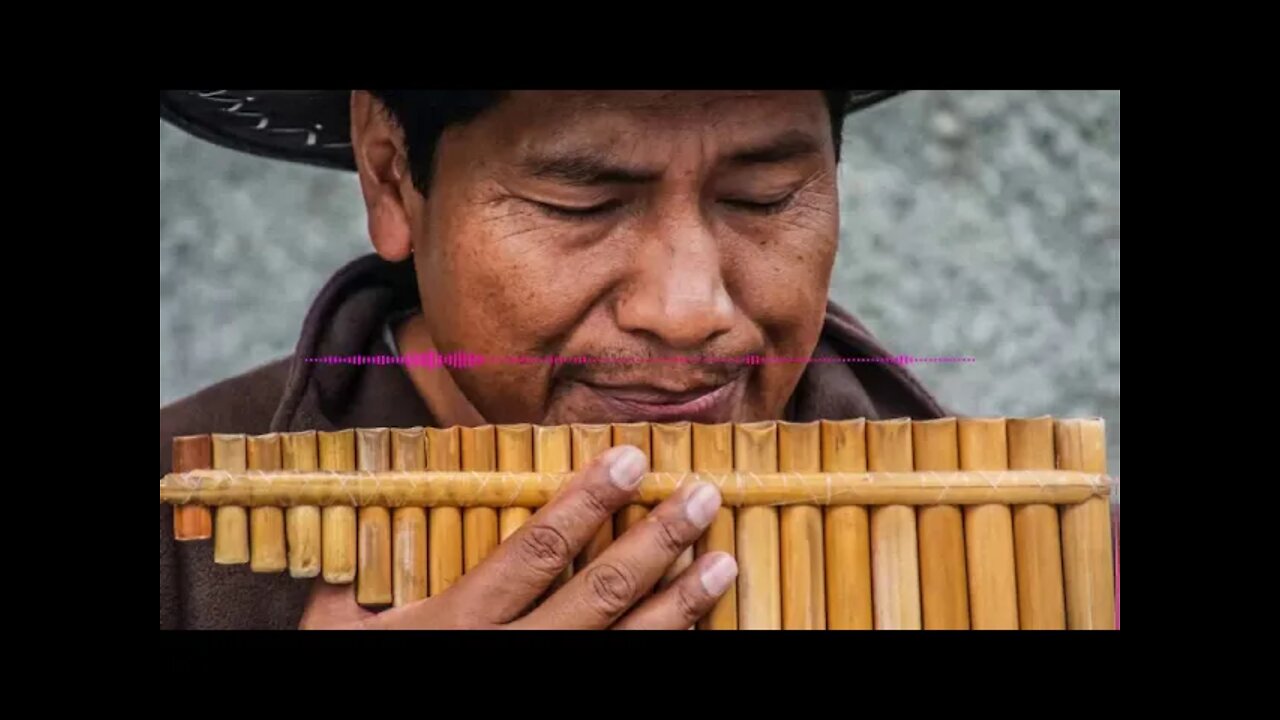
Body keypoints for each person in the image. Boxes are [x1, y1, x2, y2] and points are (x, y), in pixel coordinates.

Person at [159, 90, 948, 629]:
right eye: (584, 204)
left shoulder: (970, 531)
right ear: (392, 174)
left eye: (764, 196)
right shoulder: (179, 531)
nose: (687, 309)